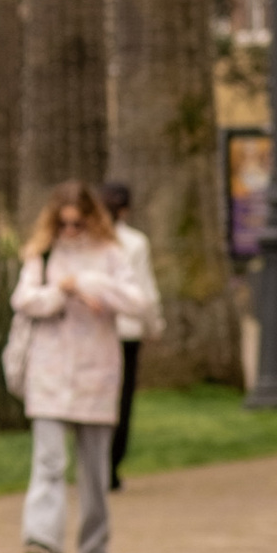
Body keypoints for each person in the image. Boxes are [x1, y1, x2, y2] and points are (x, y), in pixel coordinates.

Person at [7, 182, 143, 553]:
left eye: (77, 223)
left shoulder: (112, 254)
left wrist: (92, 286)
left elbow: (139, 301)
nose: (70, 230)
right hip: (49, 372)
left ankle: (94, 544)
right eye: (63, 223)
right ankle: (42, 541)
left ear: (91, 219)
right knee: (48, 463)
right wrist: (60, 293)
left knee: (95, 469)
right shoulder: (42, 255)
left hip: (97, 372)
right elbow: (24, 299)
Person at [99, 180, 160, 490]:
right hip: (126, 331)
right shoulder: (134, 242)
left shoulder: (90, 239)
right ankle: (109, 465)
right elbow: (145, 291)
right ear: (126, 210)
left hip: (97, 330)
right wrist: (154, 325)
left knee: (97, 398)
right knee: (120, 401)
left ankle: (97, 465)